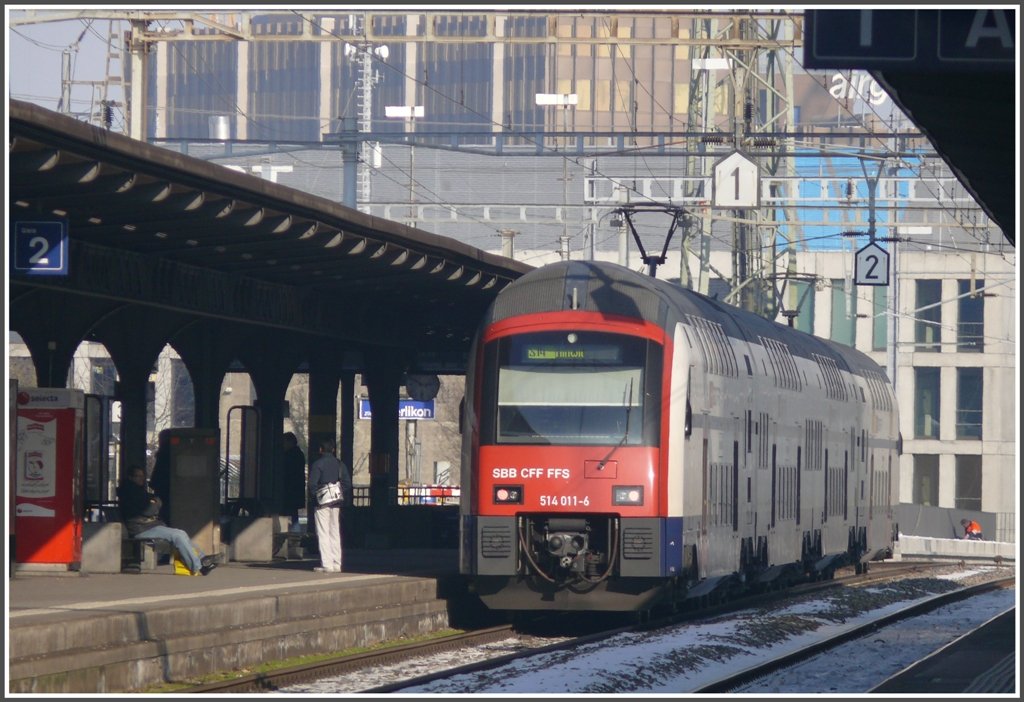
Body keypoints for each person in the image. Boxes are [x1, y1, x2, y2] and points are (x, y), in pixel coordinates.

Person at [117, 465, 218, 576]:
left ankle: (203, 559)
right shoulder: (131, 493)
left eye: (142, 476)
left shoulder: (139, 491)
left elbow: (154, 504)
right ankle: (198, 567)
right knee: (177, 535)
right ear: (130, 478)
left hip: (148, 526)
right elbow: (148, 511)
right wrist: (156, 503)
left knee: (180, 533)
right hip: (141, 529)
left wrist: (155, 502)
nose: (141, 479)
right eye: (137, 476)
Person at [308, 437, 351, 573]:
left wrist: (318, 496)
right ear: (333, 450)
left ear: (320, 450)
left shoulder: (318, 464)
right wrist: (336, 491)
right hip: (336, 502)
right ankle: (337, 563)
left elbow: (312, 485)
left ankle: (327, 564)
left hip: (322, 504)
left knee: (323, 532)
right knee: (334, 532)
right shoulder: (340, 464)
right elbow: (347, 483)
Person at [281, 432, 307, 528]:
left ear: (289, 442)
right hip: (296, 489)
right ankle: (295, 534)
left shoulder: (288, 455)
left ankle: (287, 533)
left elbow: (286, 471)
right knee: (294, 513)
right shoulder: (299, 454)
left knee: (286, 512)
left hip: (288, 489)